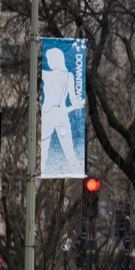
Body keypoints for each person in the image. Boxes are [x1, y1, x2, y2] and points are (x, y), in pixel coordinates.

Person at [40, 46, 84, 176]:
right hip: (53, 115)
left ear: (56, 59)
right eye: (46, 59)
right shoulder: (47, 74)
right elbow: (73, 100)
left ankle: (77, 171)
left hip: (56, 115)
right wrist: (76, 103)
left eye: (49, 59)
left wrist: (79, 103)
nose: (48, 62)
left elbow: (73, 99)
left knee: (67, 150)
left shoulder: (66, 76)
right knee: (45, 150)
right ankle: (41, 174)